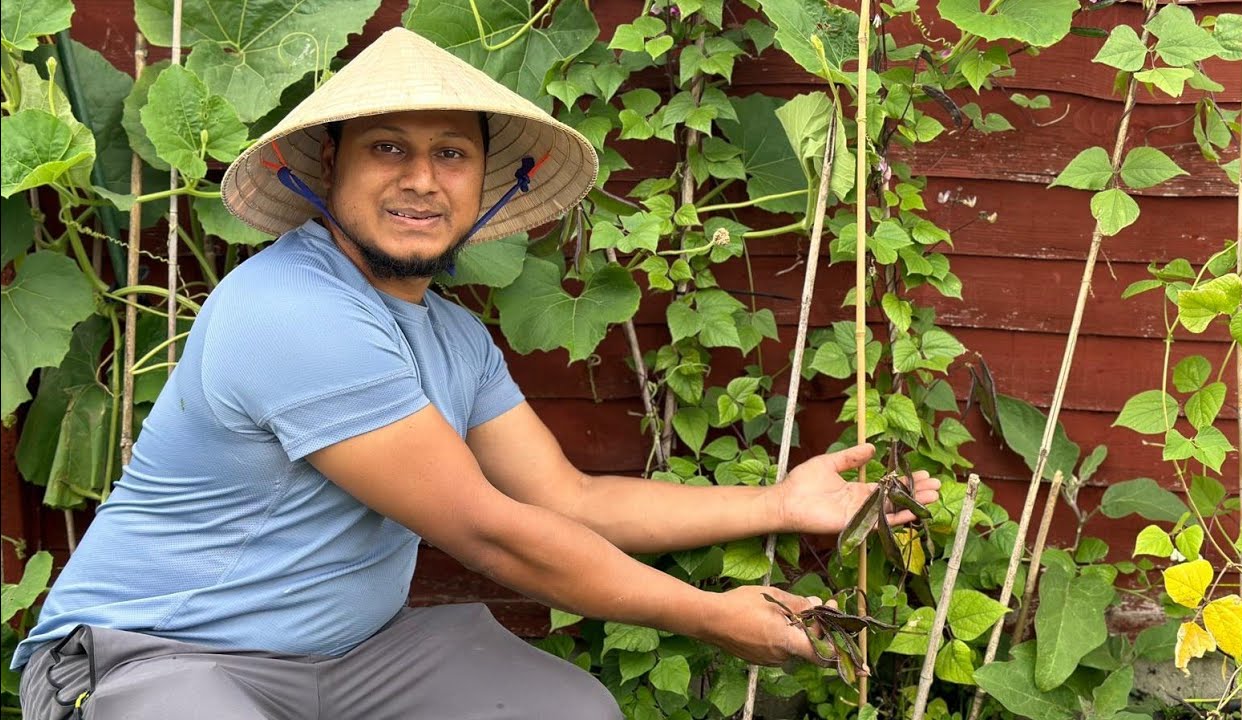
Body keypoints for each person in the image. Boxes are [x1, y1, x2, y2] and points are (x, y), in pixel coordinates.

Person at [15, 28, 940, 720]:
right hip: (159, 660)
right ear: (324, 170)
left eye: (449, 153)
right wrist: (711, 615)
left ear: (486, 187)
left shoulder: (454, 339)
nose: (422, 179)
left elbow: (566, 500)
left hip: (349, 659)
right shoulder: (290, 310)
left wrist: (779, 504)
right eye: (388, 148)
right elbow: (494, 536)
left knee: (572, 713)